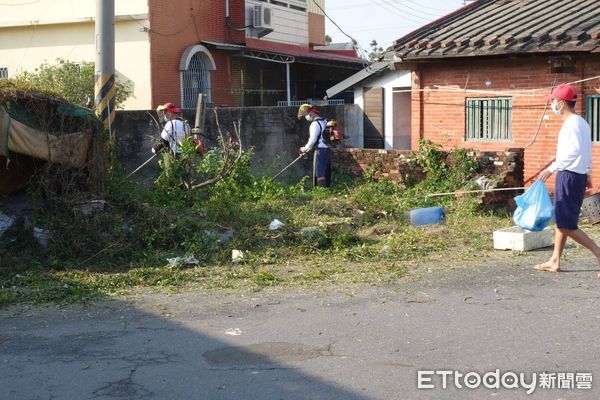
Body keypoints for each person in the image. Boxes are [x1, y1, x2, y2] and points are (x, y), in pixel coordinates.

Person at [535, 84, 600, 279]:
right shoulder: (582, 122)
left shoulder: (571, 124)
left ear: (562, 103)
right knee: (562, 219)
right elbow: (585, 151)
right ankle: (555, 260)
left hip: (569, 175)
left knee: (565, 224)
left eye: (553, 100)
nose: (552, 104)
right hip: (577, 175)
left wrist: (551, 169)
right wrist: (587, 173)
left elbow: (571, 153)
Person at [298, 104, 331, 187]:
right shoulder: (325, 121)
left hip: (320, 150)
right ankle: (327, 189)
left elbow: (312, 140)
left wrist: (304, 149)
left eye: (306, 115)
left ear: (311, 113)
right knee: (326, 171)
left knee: (320, 172)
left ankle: (322, 192)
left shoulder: (314, 124)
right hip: (327, 149)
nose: (306, 117)